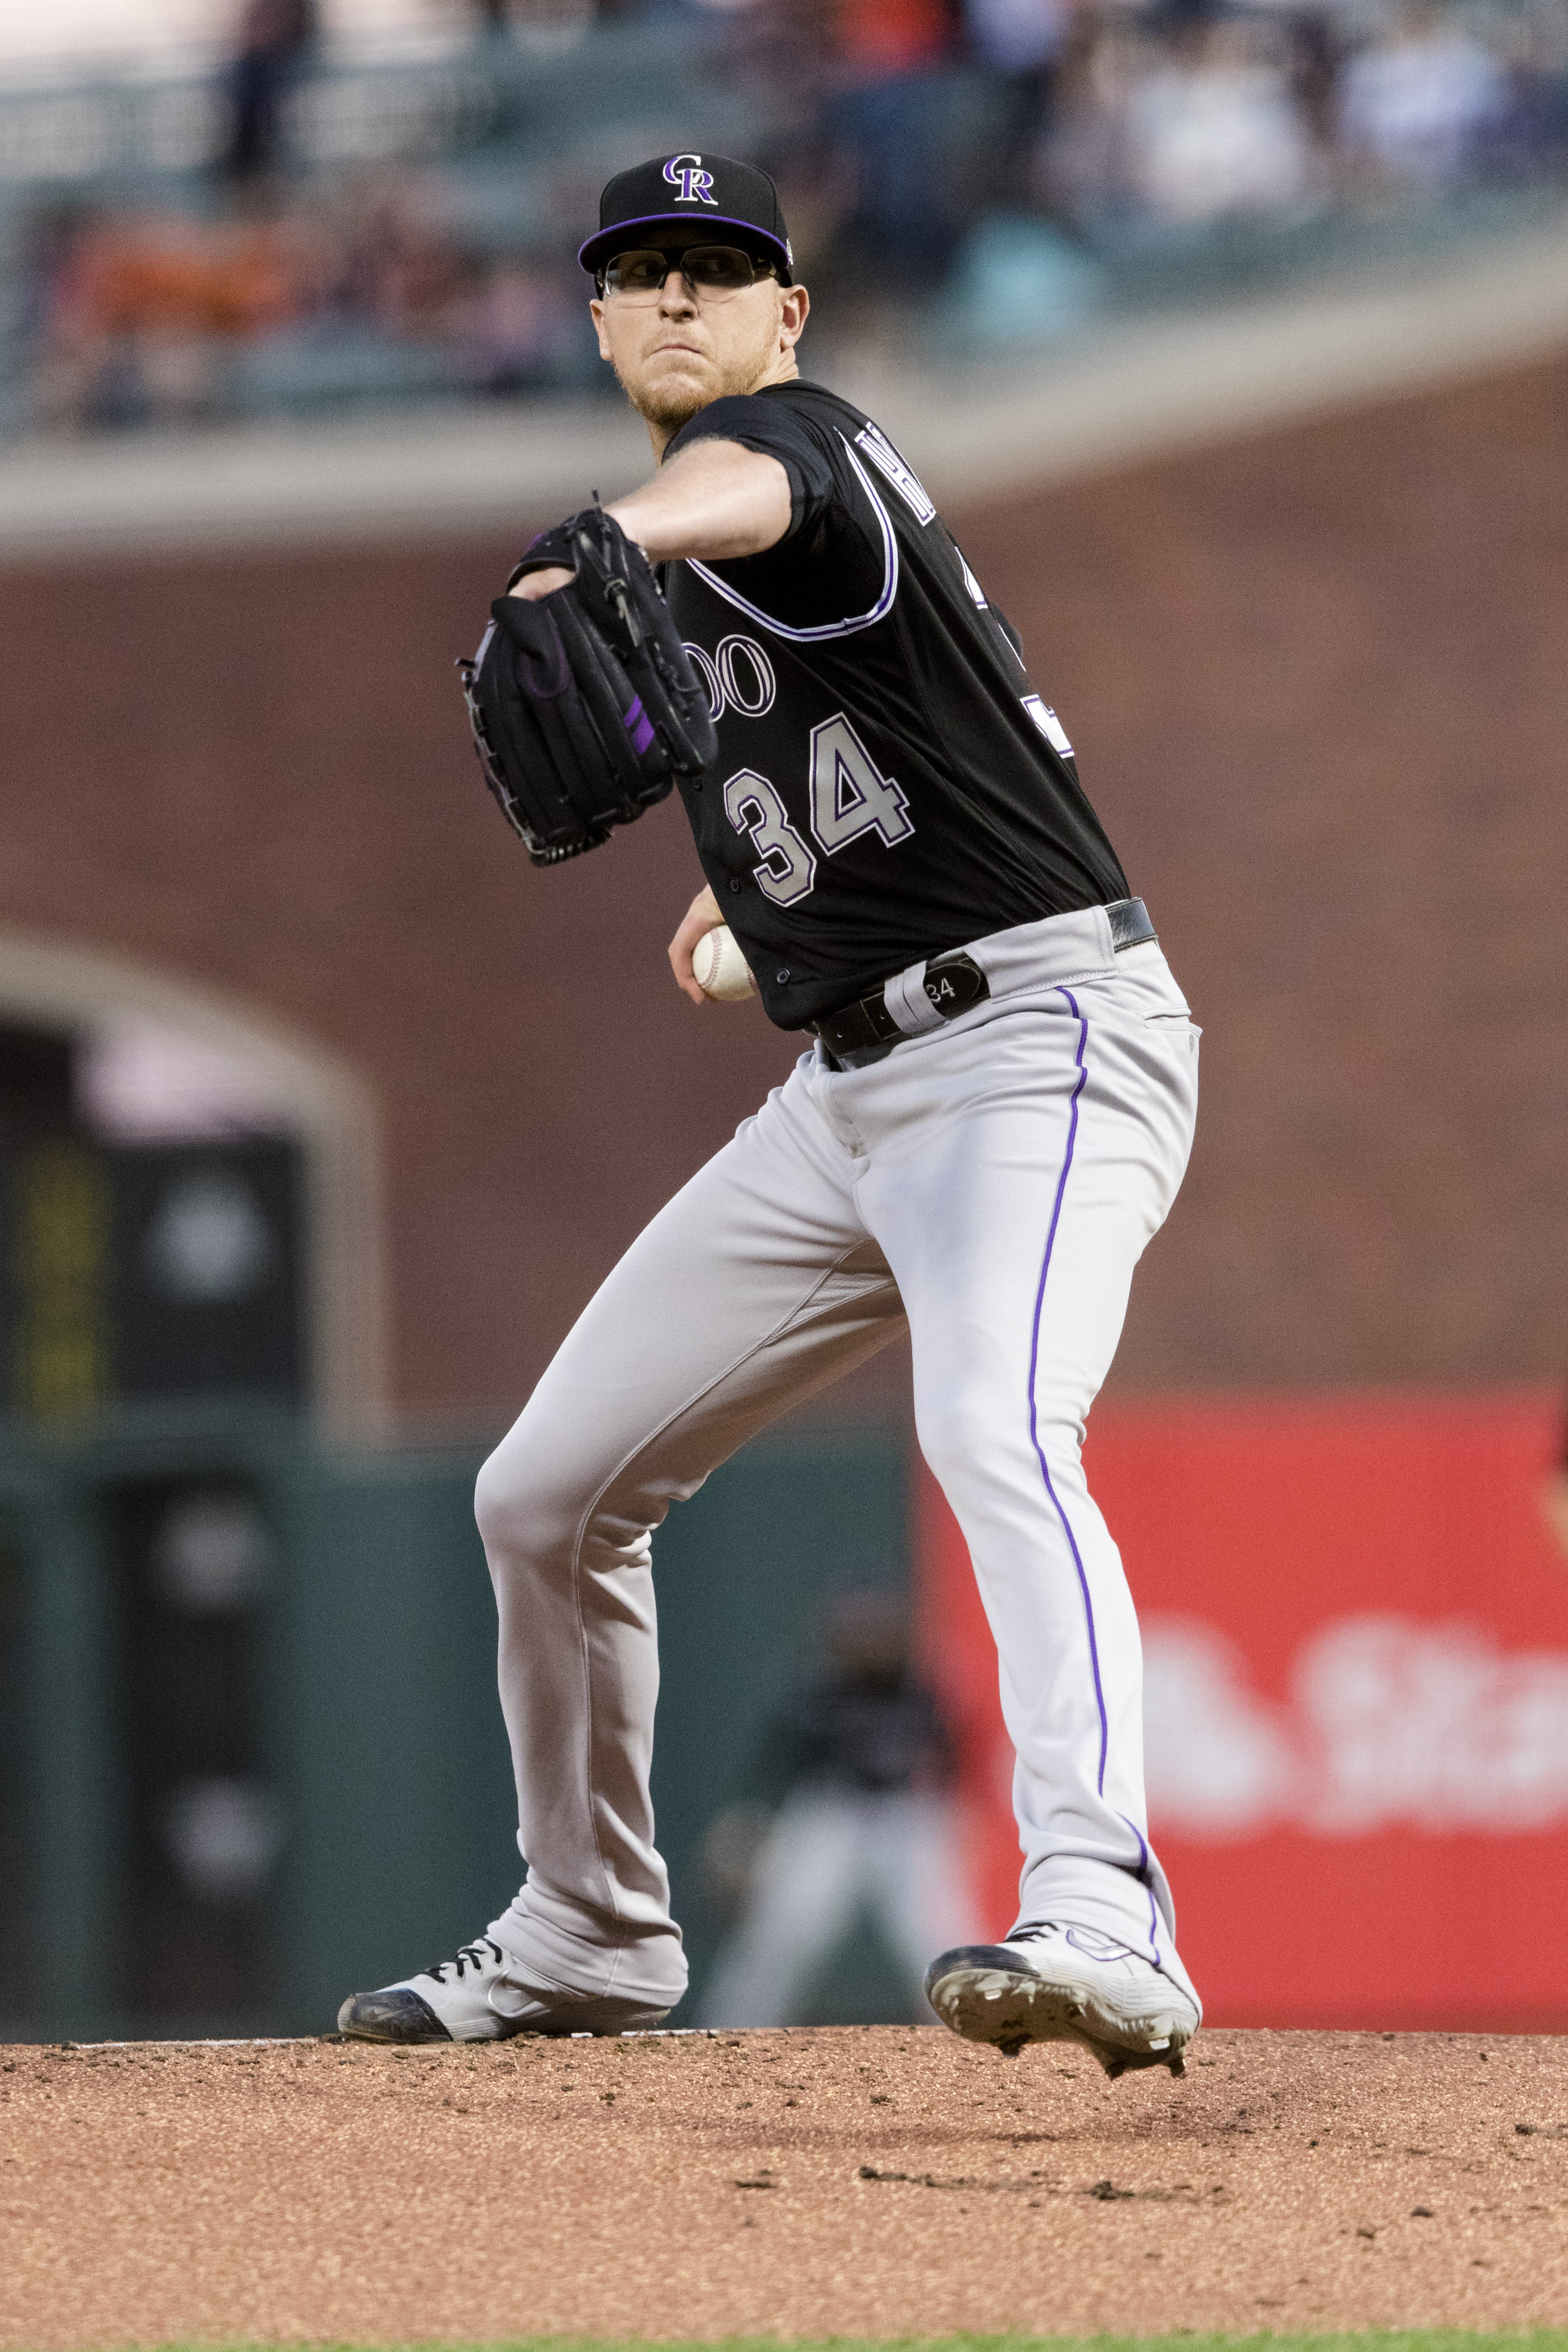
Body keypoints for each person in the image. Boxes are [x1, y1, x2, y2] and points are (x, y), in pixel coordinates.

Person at [338, 150, 1204, 2078]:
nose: (673, 303)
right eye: (636, 275)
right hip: (847, 1095)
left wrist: (606, 536)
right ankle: (588, 1926)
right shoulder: (693, 576)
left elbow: (764, 484)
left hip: (1041, 1042)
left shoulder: (786, 452)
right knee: (542, 1494)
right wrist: (748, 896)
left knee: (995, 1420)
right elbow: (851, 762)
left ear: (780, 314)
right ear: (591, 315)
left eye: (713, 274)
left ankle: (1101, 1908)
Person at [696, 1588, 981, 2027]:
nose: (870, 1642)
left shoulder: (919, 1693)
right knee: (785, 1931)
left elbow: (951, 1761)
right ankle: (730, 2029)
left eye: (879, 1630)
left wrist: (951, 1819)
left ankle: (975, 2026)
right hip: (831, 1817)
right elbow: (774, 1771)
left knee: (938, 1931)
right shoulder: (818, 1695)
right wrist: (751, 1825)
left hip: (901, 1817)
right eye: (860, 1631)